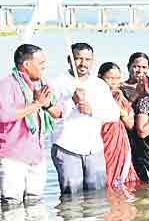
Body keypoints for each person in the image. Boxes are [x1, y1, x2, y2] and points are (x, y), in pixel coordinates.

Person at [49, 42, 116, 195]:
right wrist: (71, 102)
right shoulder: (57, 84)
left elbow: (113, 114)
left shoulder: (99, 85)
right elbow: (51, 117)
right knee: (71, 199)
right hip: (67, 147)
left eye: (87, 59)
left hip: (94, 149)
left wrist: (92, 111)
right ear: (69, 59)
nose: (82, 63)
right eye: (78, 59)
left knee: (98, 197)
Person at [0, 45, 58, 205]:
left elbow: (57, 113)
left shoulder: (42, 85)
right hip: (13, 157)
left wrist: (46, 105)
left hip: (37, 155)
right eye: (41, 63)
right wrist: (36, 104)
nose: (45, 67)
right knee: (12, 206)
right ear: (26, 65)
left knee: (36, 206)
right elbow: (5, 115)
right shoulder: (6, 85)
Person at [97, 62, 136, 188]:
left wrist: (120, 111)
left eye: (117, 78)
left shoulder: (120, 97)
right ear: (100, 78)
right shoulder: (94, 95)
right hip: (101, 139)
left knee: (122, 178)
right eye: (110, 78)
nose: (114, 82)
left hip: (118, 140)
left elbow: (131, 124)